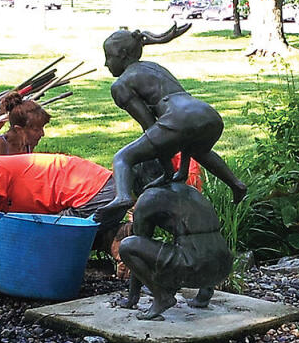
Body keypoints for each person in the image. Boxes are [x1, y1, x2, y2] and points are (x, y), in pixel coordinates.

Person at [96, 24, 247, 221]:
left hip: (179, 118)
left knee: (123, 158)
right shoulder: (153, 67)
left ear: (123, 55)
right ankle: (236, 184)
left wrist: (168, 170)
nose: (106, 64)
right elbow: (181, 136)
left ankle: (122, 197)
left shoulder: (121, 85)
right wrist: (180, 171)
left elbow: (150, 128)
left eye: (109, 57)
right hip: (207, 115)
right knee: (199, 151)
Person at [115, 181, 233, 319]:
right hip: (223, 265)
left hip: (193, 268)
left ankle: (162, 297)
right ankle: (204, 295)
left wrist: (132, 298)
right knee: (199, 239)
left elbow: (138, 246)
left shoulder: (148, 197)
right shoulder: (190, 191)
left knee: (127, 245)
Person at [0, 92, 50, 158]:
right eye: (36, 129)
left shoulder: (27, 144)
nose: (42, 134)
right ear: (18, 129)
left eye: (42, 128)